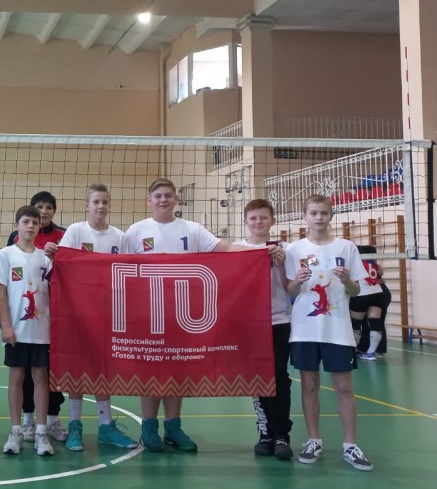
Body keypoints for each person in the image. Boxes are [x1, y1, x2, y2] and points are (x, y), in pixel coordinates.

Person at [120, 178, 233, 452]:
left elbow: (226, 249)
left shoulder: (192, 229)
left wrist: (261, 250)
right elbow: (118, 268)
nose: (163, 200)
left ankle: (173, 428)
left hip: (183, 314)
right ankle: (148, 429)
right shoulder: (136, 231)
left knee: (176, 368)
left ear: (176, 199)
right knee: (150, 369)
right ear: (149, 200)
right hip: (148, 314)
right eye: (158, 196)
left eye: (168, 195)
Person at [285, 195, 373, 471]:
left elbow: (356, 290)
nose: (319, 217)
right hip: (305, 329)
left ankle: (350, 445)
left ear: (331, 215)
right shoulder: (294, 249)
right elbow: (289, 290)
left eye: (324, 212)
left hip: (337, 329)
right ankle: (314, 440)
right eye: (313, 213)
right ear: (305, 216)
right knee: (309, 385)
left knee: (344, 387)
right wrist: (296, 282)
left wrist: (347, 280)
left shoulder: (347, 247)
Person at [51, 183, 136, 451]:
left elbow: (128, 272)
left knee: (103, 367)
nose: (100, 206)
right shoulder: (76, 231)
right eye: (96, 202)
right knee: (78, 366)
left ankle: (106, 426)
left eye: (105, 202)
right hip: (78, 312)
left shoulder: (120, 236)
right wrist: (53, 254)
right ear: (86, 205)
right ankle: (75, 425)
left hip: (108, 312)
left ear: (109, 205)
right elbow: (61, 265)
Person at [0, 206, 55, 457]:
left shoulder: (45, 258)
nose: (30, 226)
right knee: (16, 378)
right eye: (26, 221)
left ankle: (41, 432)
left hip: (41, 330)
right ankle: (16, 431)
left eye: (35, 222)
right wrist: (6, 325)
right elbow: (1, 293)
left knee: (41, 378)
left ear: (40, 227)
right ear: (16, 225)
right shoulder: (6, 254)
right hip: (16, 330)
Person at [235, 198, 294, 460]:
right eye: (253, 218)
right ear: (246, 222)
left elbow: (291, 287)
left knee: (279, 375)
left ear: (273, 221)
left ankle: (281, 434)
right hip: (250, 323)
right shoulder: (237, 249)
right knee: (258, 377)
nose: (258, 222)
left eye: (263, 217)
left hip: (280, 319)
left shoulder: (286, 249)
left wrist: (280, 263)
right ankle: (265, 432)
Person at [7, 190, 67, 443]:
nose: (43, 212)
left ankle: (51, 420)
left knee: (50, 371)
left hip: (53, 317)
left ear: (54, 211)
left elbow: (67, 271)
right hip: (24, 321)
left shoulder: (63, 235)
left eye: (48, 207)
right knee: (25, 373)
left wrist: (57, 256)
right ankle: (28, 419)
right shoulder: (15, 241)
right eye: (38, 207)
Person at [350, 244, 392, 361]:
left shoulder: (354, 262)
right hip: (377, 293)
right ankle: (371, 353)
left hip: (361, 293)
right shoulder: (374, 264)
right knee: (375, 322)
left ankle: (352, 351)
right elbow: (380, 274)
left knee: (355, 323)